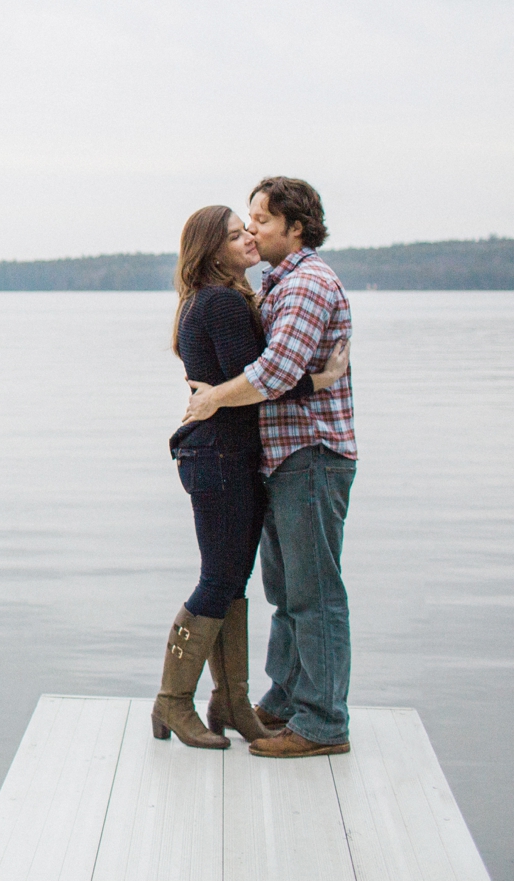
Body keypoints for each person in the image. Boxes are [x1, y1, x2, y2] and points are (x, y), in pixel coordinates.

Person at [153, 205, 349, 749]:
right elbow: (266, 379)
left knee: (231, 581)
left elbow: (246, 378)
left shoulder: (213, 300)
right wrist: (323, 378)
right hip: (219, 457)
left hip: (223, 456)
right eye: (236, 235)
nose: (248, 240)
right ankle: (173, 701)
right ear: (213, 249)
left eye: (250, 230)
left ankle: (232, 701)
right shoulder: (221, 303)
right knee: (218, 580)